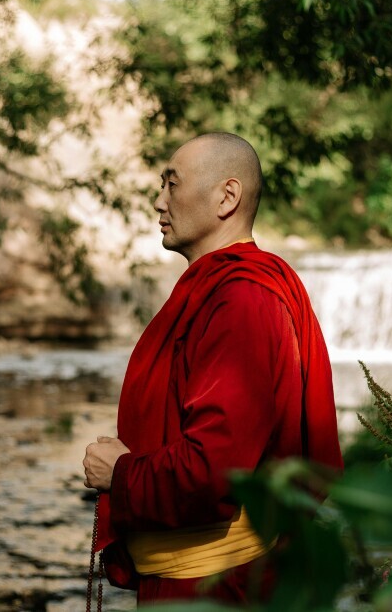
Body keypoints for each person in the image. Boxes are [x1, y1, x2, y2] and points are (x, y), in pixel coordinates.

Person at [82, 132, 342, 606]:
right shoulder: (225, 289)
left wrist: (120, 473)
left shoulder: (242, 300)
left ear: (227, 197)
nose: (159, 201)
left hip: (214, 588)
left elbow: (213, 470)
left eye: (172, 184)